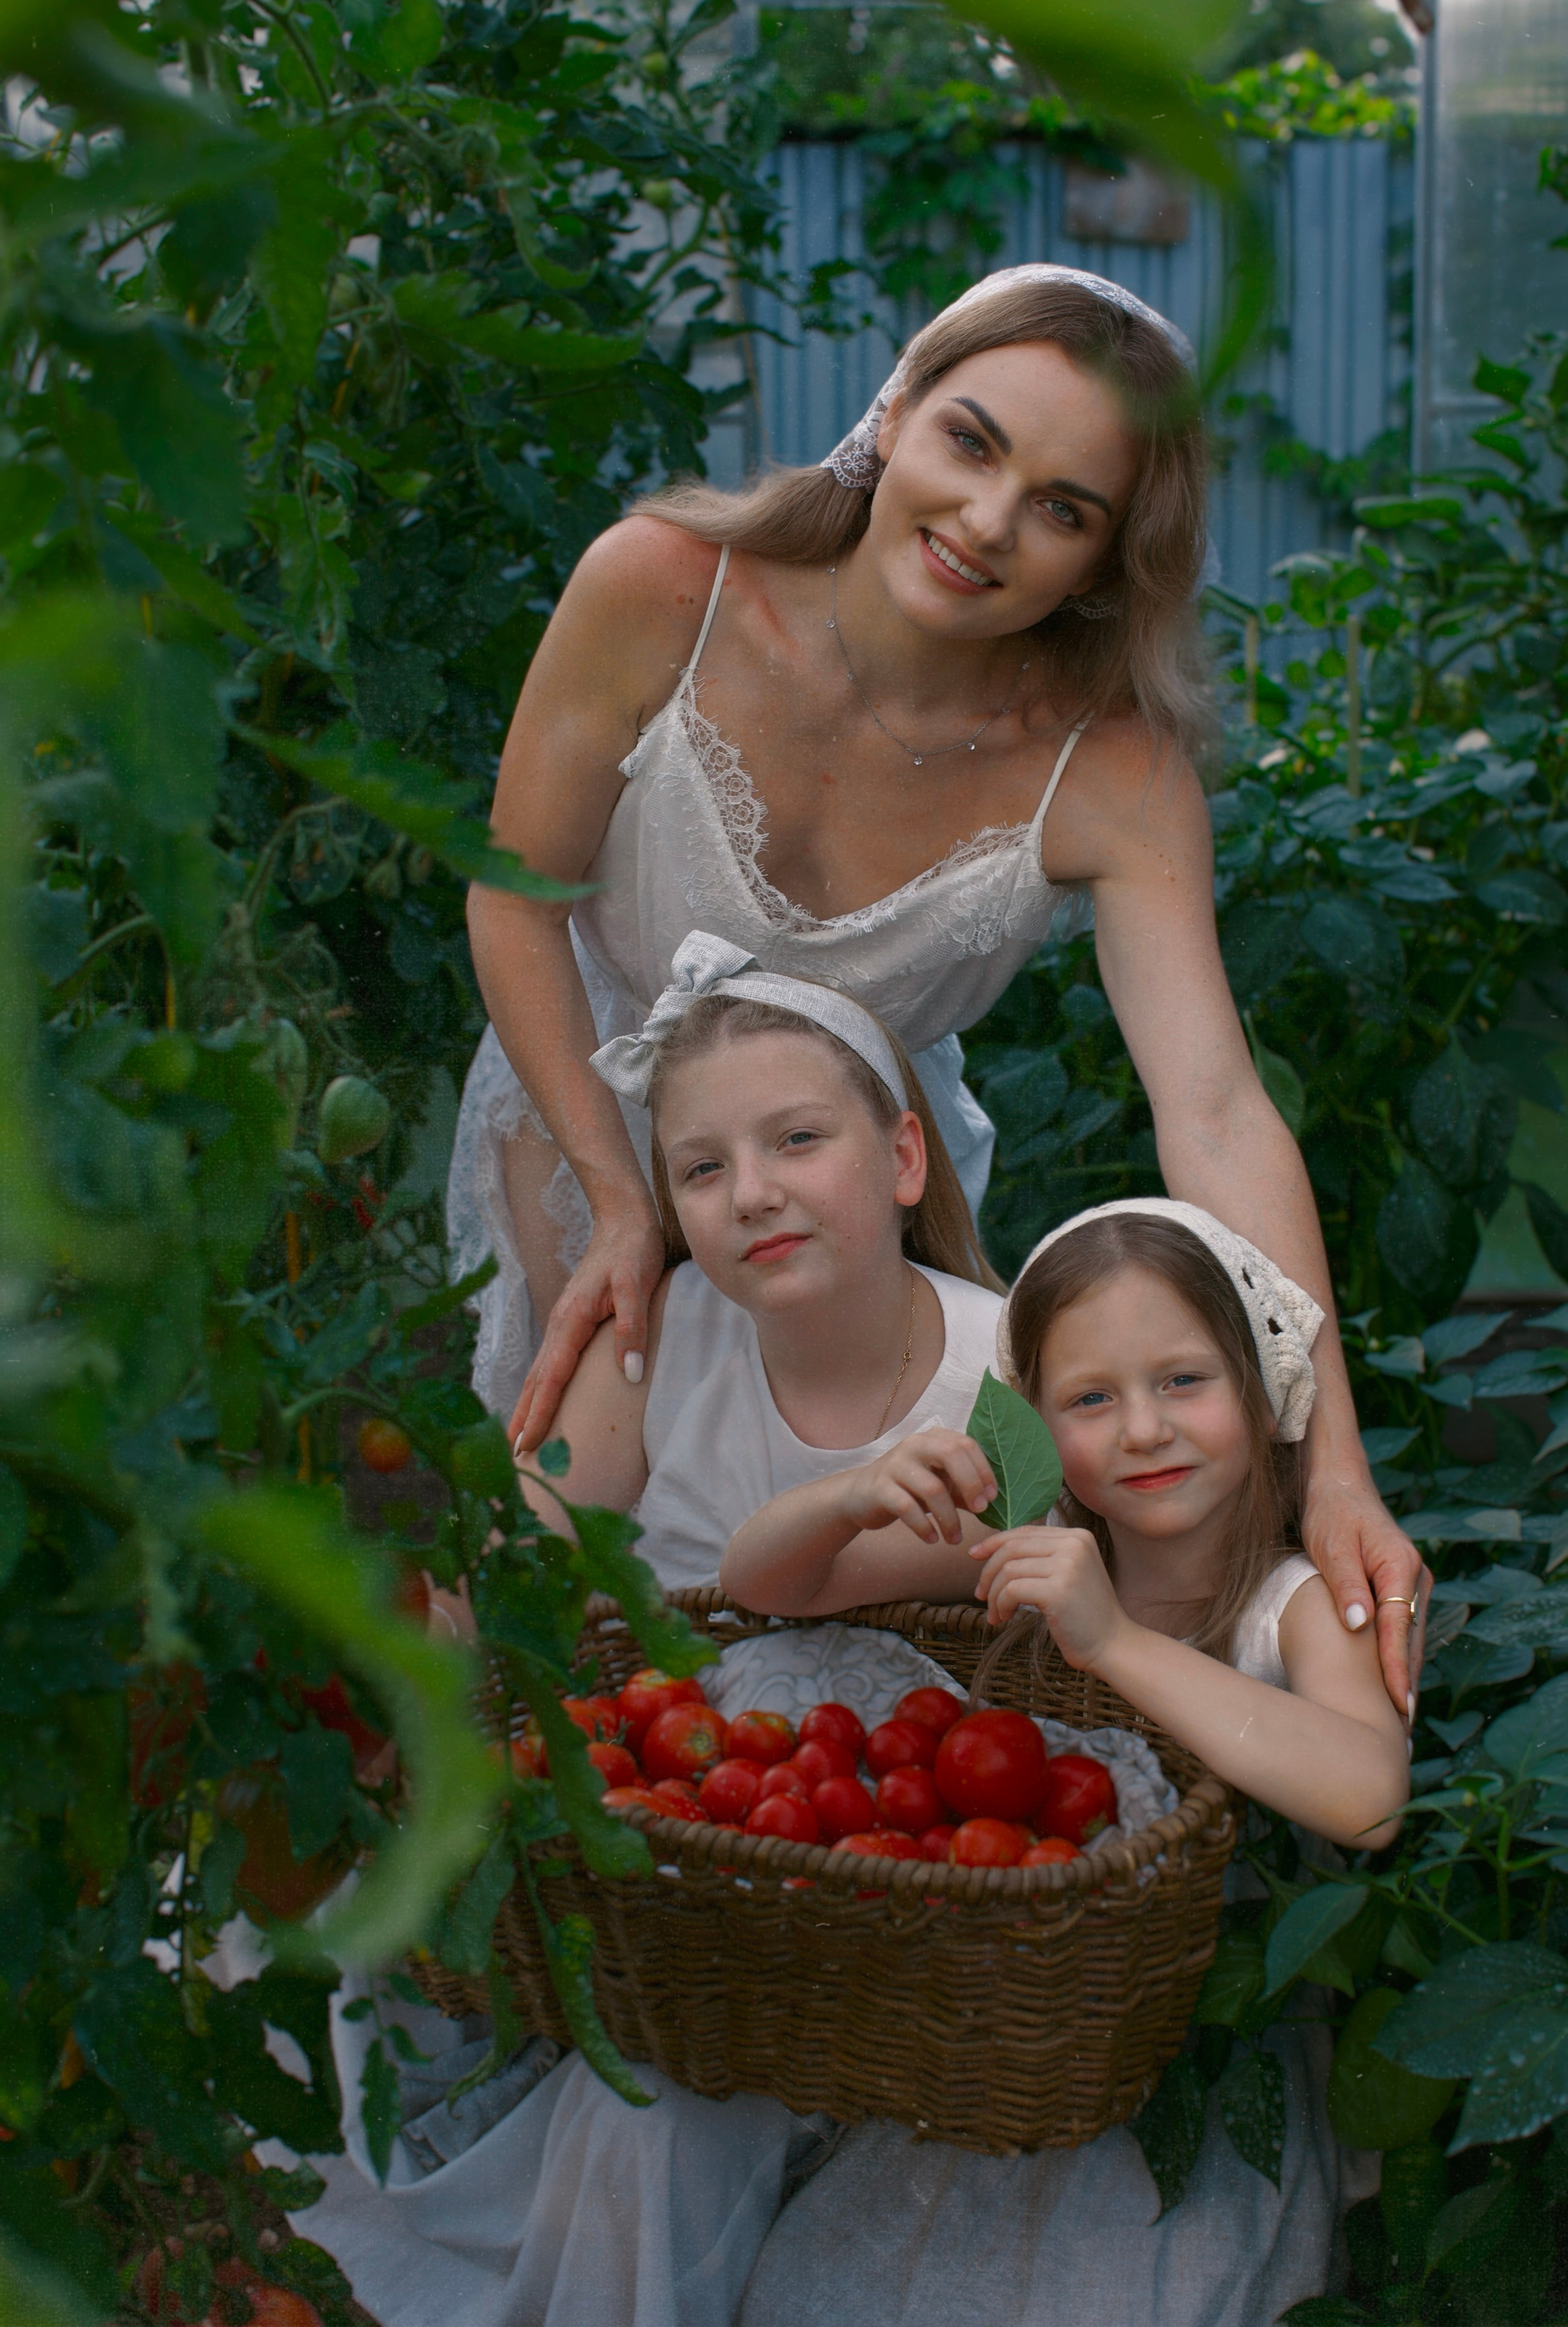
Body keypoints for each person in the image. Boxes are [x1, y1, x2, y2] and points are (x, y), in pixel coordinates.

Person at [448, 259, 1426, 1709]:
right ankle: (522, 1899)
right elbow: (513, 892)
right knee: (574, 1564)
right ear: (894, 407)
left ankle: (852, 1911)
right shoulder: (659, 582)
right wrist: (614, 1193)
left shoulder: (1115, 772)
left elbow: (1213, 1110)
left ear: (1104, 562)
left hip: (864, 1194)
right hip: (586, 1118)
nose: (985, 524)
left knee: (883, 1587)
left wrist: (1325, 1460)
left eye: (1062, 509)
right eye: (971, 441)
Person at [296, 946, 1007, 2327]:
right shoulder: (665, 1330)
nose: (751, 1193)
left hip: (852, 1846)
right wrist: (451, 1611)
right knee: (368, 1952)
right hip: (656, 1809)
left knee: (682, 2118)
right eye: (699, 1169)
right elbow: (536, 1553)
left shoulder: (1003, 1360)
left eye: (797, 1140)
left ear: (906, 1155)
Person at [724, 1200, 1408, 2327]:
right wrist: (849, 1497)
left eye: (1185, 1381)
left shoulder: (1294, 1606)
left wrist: (1118, 1644)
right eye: (1091, 1400)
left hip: (1199, 2070)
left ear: (1259, 1384)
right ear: (1036, 1423)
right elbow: (761, 1588)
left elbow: (1369, 1796)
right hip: (1016, 2045)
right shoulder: (1035, 1550)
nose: (1143, 1430)